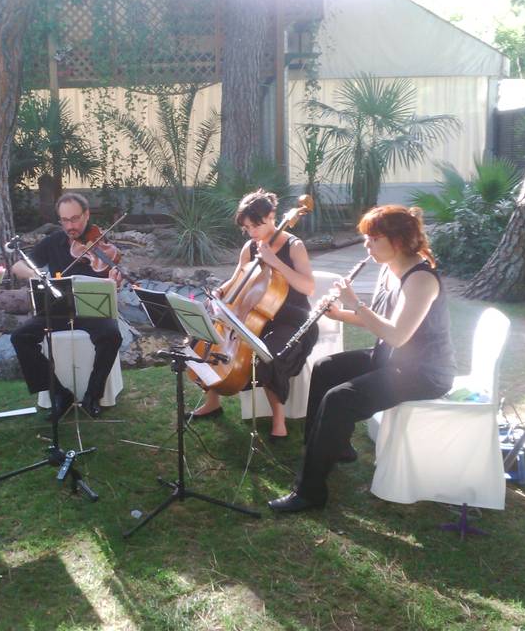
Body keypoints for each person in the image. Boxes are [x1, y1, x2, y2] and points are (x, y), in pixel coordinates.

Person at [268, 204, 456, 513]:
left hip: (423, 371)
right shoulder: (389, 268)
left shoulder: (421, 280)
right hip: (392, 356)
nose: (366, 246)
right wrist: (340, 313)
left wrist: (354, 303)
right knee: (326, 367)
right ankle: (330, 448)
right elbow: (381, 320)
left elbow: (397, 334)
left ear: (398, 240)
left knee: (339, 399)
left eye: (373, 239)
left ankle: (311, 491)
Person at [189, 189, 317, 441]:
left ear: (271, 216)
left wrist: (274, 261)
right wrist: (220, 290)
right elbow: (238, 279)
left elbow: (308, 287)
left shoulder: (294, 245)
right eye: (247, 228)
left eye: (255, 225)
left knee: (268, 355)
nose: (251, 232)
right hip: (255, 314)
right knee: (203, 341)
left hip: (292, 318)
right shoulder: (249, 247)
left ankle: (278, 419)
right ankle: (213, 401)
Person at [8, 193, 123, 420]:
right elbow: (18, 266)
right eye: (65, 220)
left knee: (111, 335)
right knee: (20, 337)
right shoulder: (53, 242)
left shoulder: (101, 243)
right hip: (59, 309)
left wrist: (114, 282)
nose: (70, 225)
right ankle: (59, 394)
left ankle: (92, 395)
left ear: (87, 214)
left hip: (92, 311)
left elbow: (112, 279)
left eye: (75, 219)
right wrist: (36, 274)